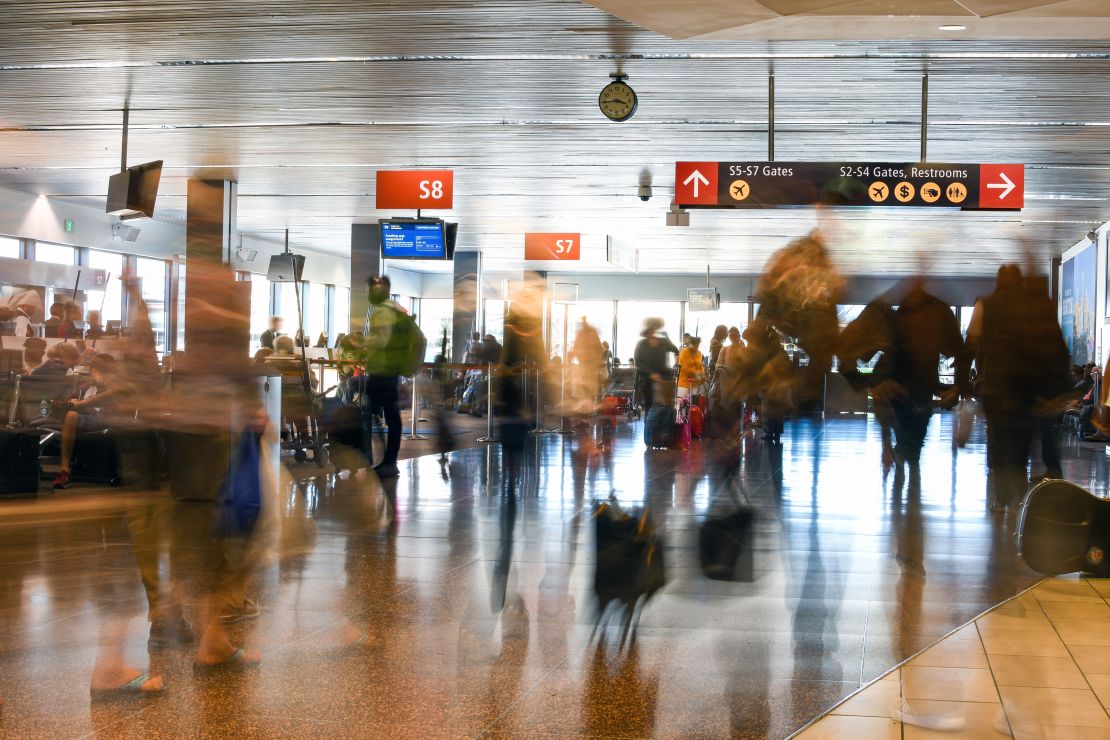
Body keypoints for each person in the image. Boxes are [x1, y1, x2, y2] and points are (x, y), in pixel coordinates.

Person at [967, 264, 1070, 512]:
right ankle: (1016, 500)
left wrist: (964, 384)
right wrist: (1058, 389)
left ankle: (1002, 500)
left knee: (999, 445)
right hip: (1025, 391)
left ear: (999, 281)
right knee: (1020, 447)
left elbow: (970, 343)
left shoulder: (987, 305)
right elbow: (1054, 349)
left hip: (995, 390)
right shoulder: (1032, 310)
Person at [351, 275, 410, 479]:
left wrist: (360, 344)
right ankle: (387, 459)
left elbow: (381, 340)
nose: (367, 295)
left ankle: (384, 459)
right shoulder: (395, 309)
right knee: (389, 416)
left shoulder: (381, 311)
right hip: (391, 369)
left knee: (372, 412)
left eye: (369, 290)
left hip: (381, 370)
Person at [51, 353, 118, 490]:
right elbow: (76, 400)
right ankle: (64, 468)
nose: (92, 370)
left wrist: (83, 403)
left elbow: (111, 395)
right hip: (85, 417)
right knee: (70, 415)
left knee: (71, 415)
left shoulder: (115, 383)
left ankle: (65, 469)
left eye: (96, 367)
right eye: (93, 367)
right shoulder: (87, 384)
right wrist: (74, 401)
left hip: (104, 418)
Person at [633, 318, 679, 410]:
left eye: (654, 328)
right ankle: (649, 423)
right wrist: (651, 374)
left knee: (666, 407)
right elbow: (638, 362)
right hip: (647, 380)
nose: (652, 331)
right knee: (649, 406)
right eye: (650, 329)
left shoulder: (663, 341)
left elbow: (675, 350)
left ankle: (665, 423)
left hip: (664, 379)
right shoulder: (641, 344)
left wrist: (666, 338)